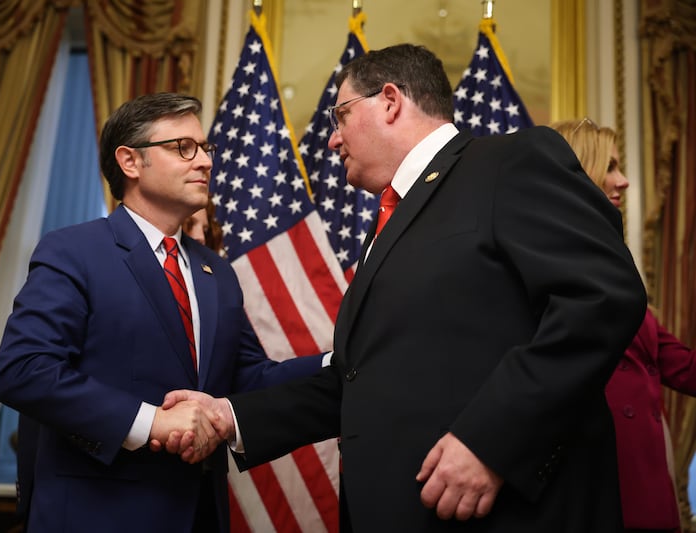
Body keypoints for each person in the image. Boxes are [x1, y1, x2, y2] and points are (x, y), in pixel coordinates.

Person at [161, 44, 648, 532]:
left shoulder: (510, 162)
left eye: (341, 116)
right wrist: (230, 415)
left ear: (390, 101)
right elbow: (358, 380)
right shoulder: (388, 223)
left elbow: (602, 297)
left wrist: (492, 441)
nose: (332, 140)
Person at [0, 92, 325, 533]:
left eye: (205, 149)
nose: (205, 162)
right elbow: (24, 370)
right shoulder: (74, 250)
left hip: (199, 514)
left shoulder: (216, 272)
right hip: (98, 514)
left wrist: (338, 363)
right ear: (130, 162)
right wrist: (152, 422)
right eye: (183, 148)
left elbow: (249, 378)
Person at [552, 117, 696, 532]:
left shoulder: (612, 262)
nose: (625, 180)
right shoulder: (547, 265)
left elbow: (678, 365)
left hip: (645, 473)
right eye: (610, 166)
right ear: (579, 173)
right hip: (600, 477)